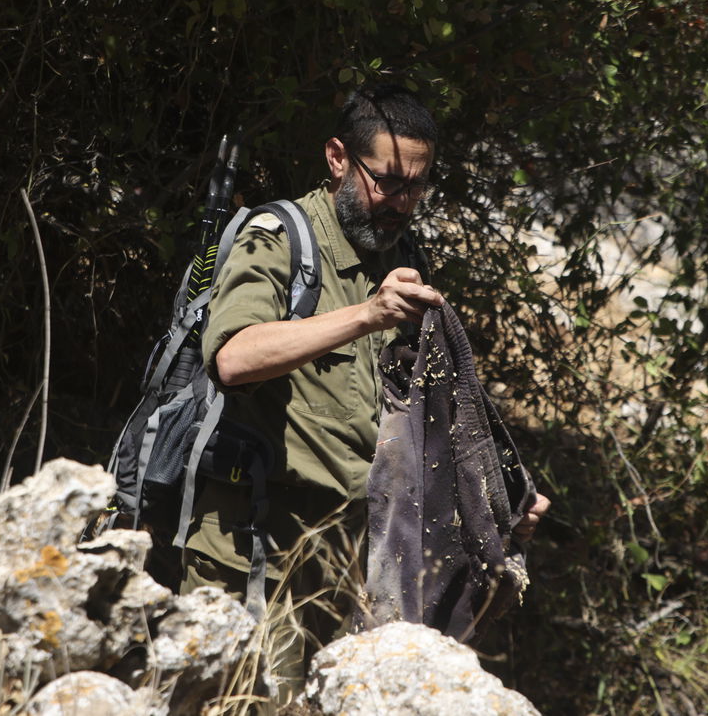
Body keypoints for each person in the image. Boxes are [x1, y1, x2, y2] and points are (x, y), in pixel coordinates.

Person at [182, 84, 550, 697]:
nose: (401, 203)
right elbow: (234, 359)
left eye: (416, 188)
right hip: (255, 553)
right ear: (337, 159)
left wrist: (505, 496)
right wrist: (366, 315)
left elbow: (429, 414)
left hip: (355, 557)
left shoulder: (403, 256)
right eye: (386, 181)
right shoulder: (279, 238)